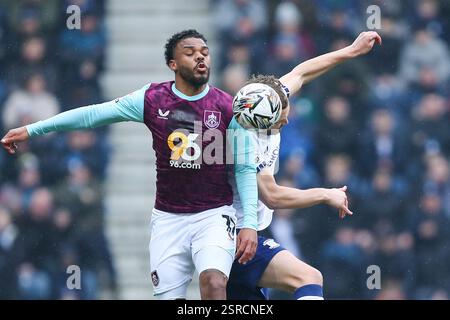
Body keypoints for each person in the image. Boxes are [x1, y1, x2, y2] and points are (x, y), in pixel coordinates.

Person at [1, 29, 259, 300]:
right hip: (168, 219)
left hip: (214, 215)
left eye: (205, 52)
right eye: (190, 52)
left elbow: (244, 168)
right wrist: (34, 129)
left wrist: (249, 224)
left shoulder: (228, 108)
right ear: (172, 64)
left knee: (215, 283)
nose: (200, 58)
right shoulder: (152, 99)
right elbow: (93, 114)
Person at [227, 31, 382, 300]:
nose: (286, 122)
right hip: (237, 236)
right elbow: (272, 195)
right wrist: (326, 194)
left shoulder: (267, 100)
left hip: (246, 234)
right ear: (264, 120)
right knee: (309, 277)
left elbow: (302, 72)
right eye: (281, 119)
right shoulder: (246, 141)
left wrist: (351, 51)